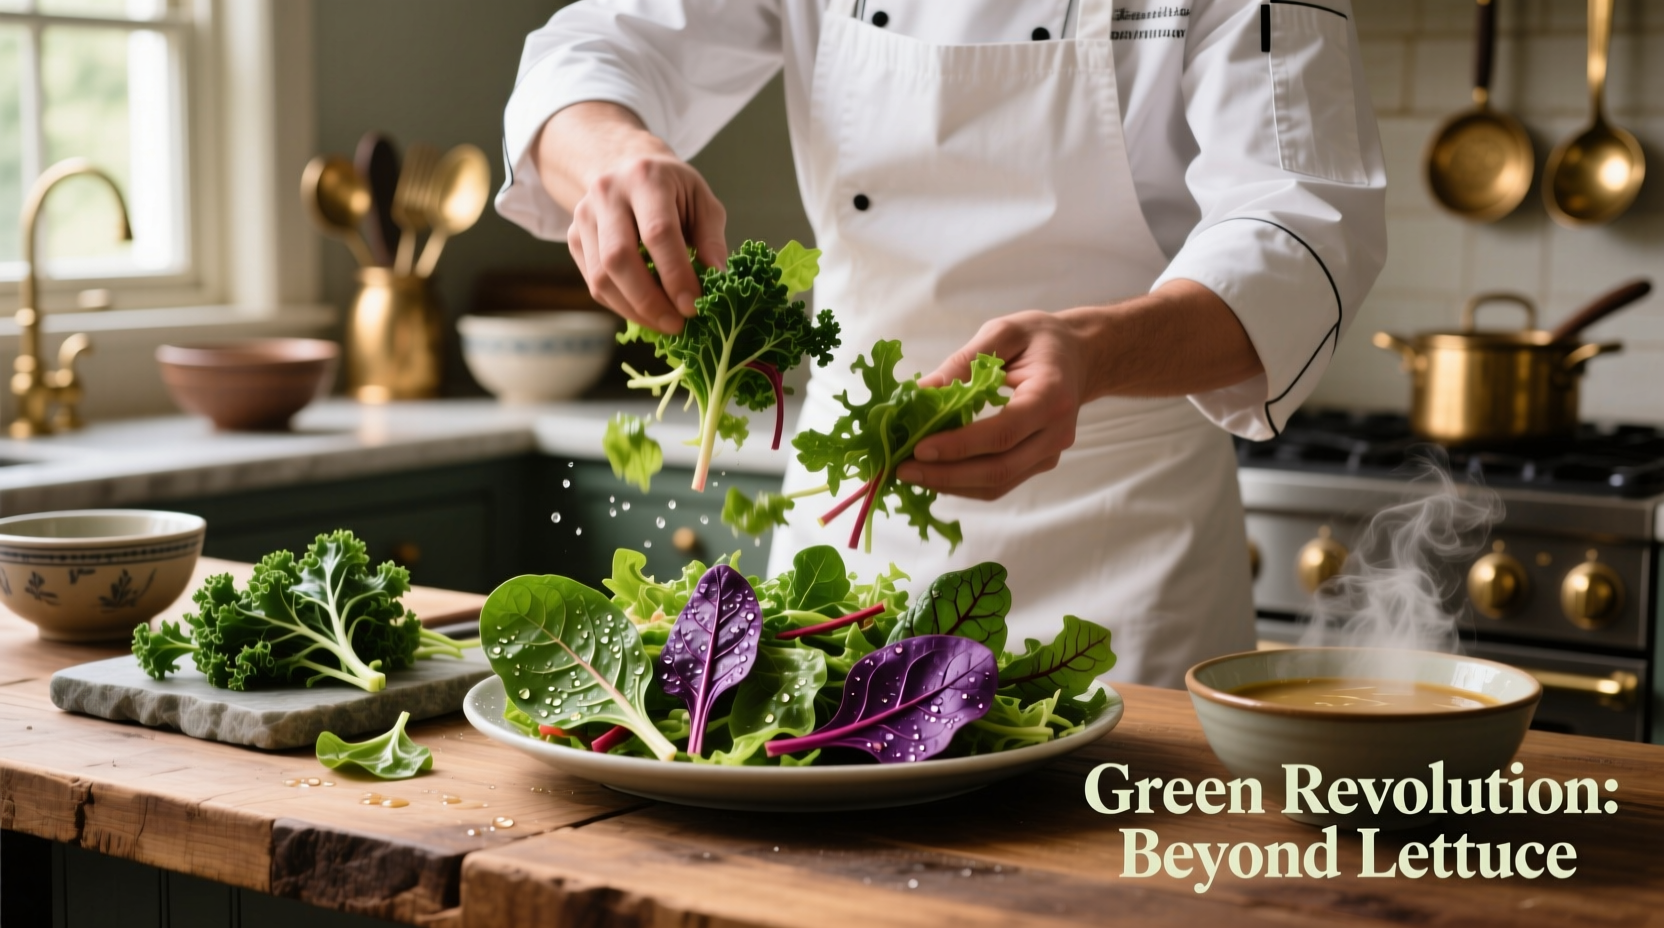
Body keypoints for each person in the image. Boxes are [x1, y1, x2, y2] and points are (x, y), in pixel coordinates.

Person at [497, 0, 1386, 687]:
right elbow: (590, 50)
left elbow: (1307, 223)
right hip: (850, 541)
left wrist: (1096, 352)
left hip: (1126, 543)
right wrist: (614, 153)